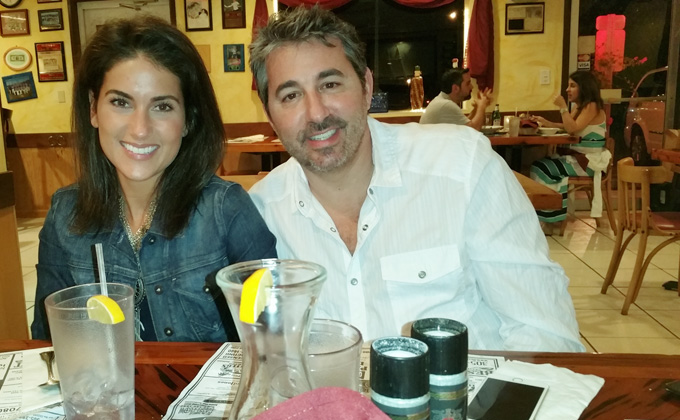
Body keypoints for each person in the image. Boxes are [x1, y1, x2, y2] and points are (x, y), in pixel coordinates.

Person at [247, 6, 584, 352]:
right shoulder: (259, 215)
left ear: (366, 87)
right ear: (270, 116)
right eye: (290, 96)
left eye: (330, 84)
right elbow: (260, 348)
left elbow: (546, 337)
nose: (316, 113)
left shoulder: (463, 166)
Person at [31, 16, 277, 342]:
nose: (140, 129)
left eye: (162, 106)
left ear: (188, 120)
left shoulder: (226, 209)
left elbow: (273, 338)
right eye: (120, 102)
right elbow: (47, 342)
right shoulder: (65, 215)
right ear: (93, 109)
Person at [530, 71, 610, 230]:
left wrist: (562, 107)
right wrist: (547, 123)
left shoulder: (591, 106)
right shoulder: (580, 107)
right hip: (579, 160)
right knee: (541, 166)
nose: (567, 90)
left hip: (588, 163)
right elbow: (569, 126)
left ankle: (552, 216)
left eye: (572, 86)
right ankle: (552, 214)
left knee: (541, 168)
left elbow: (572, 128)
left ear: (584, 87)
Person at [419, 68, 492, 130]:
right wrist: (482, 106)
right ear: (455, 88)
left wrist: (477, 108)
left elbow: (463, 125)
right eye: (468, 83)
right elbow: (473, 130)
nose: (471, 87)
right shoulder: (446, 105)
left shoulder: (443, 101)